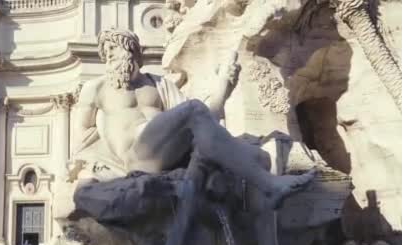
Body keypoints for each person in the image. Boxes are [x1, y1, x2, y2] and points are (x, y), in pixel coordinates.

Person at [73, 28, 316, 210]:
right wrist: (92, 169)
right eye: (106, 53)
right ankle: (270, 185)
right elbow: (82, 138)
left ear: (132, 51)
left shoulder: (158, 84)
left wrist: (224, 86)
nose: (109, 56)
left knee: (259, 157)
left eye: (114, 49)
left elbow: (204, 120)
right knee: (193, 109)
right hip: (136, 155)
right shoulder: (97, 87)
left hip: (168, 153)